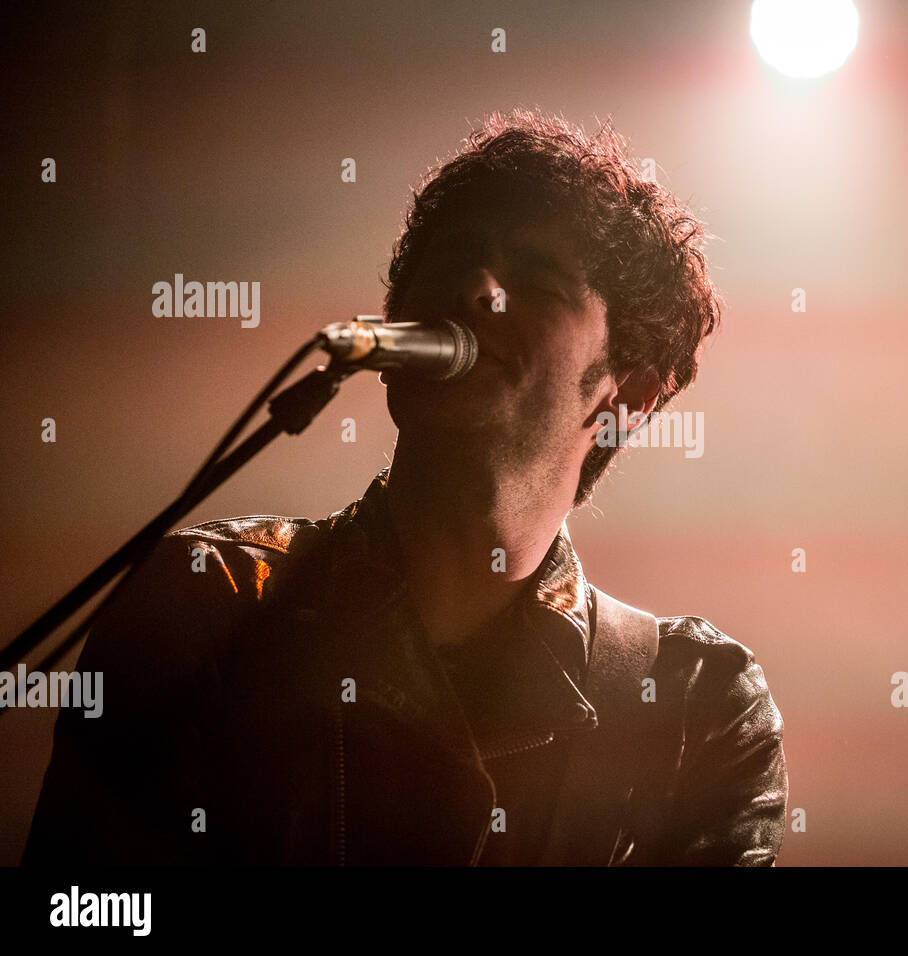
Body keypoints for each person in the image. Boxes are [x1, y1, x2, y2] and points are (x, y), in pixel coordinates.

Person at [23, 109, 788, 866]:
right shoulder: (210, 600)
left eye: (538, 281)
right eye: (453, 260)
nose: (476, 286)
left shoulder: (696, 710)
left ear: (626, 397)